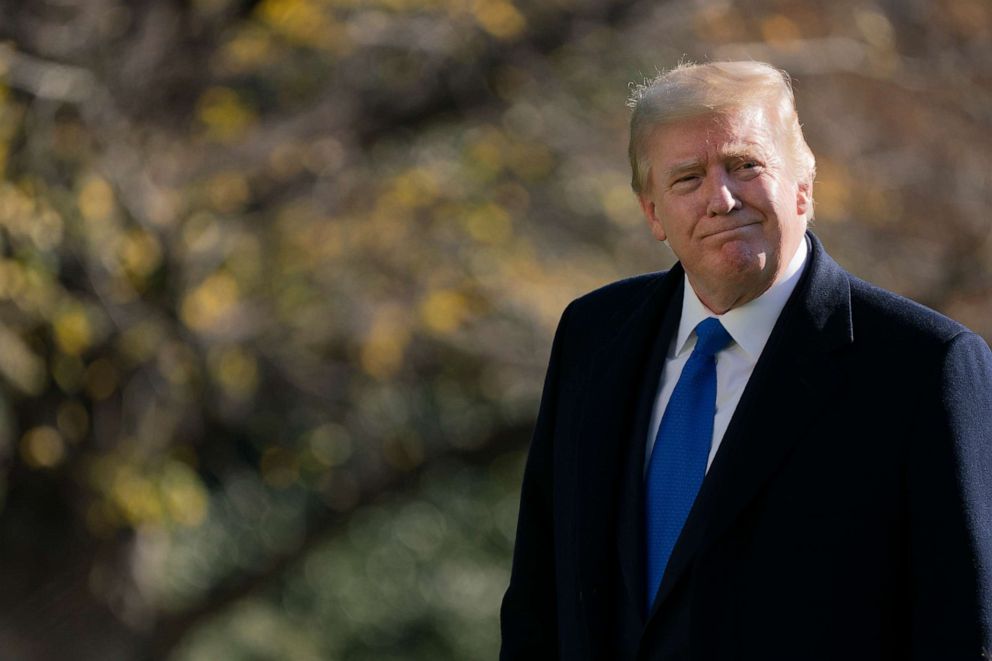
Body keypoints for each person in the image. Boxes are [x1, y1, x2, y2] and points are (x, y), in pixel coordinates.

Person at [499, 60, 992, 660]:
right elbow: (537, 603)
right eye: (686, 179)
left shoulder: (924, 368)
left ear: (804, 186)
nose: (721, 198)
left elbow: (962, 632)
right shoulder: (592, 336)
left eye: (745, 166)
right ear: (652, 211)